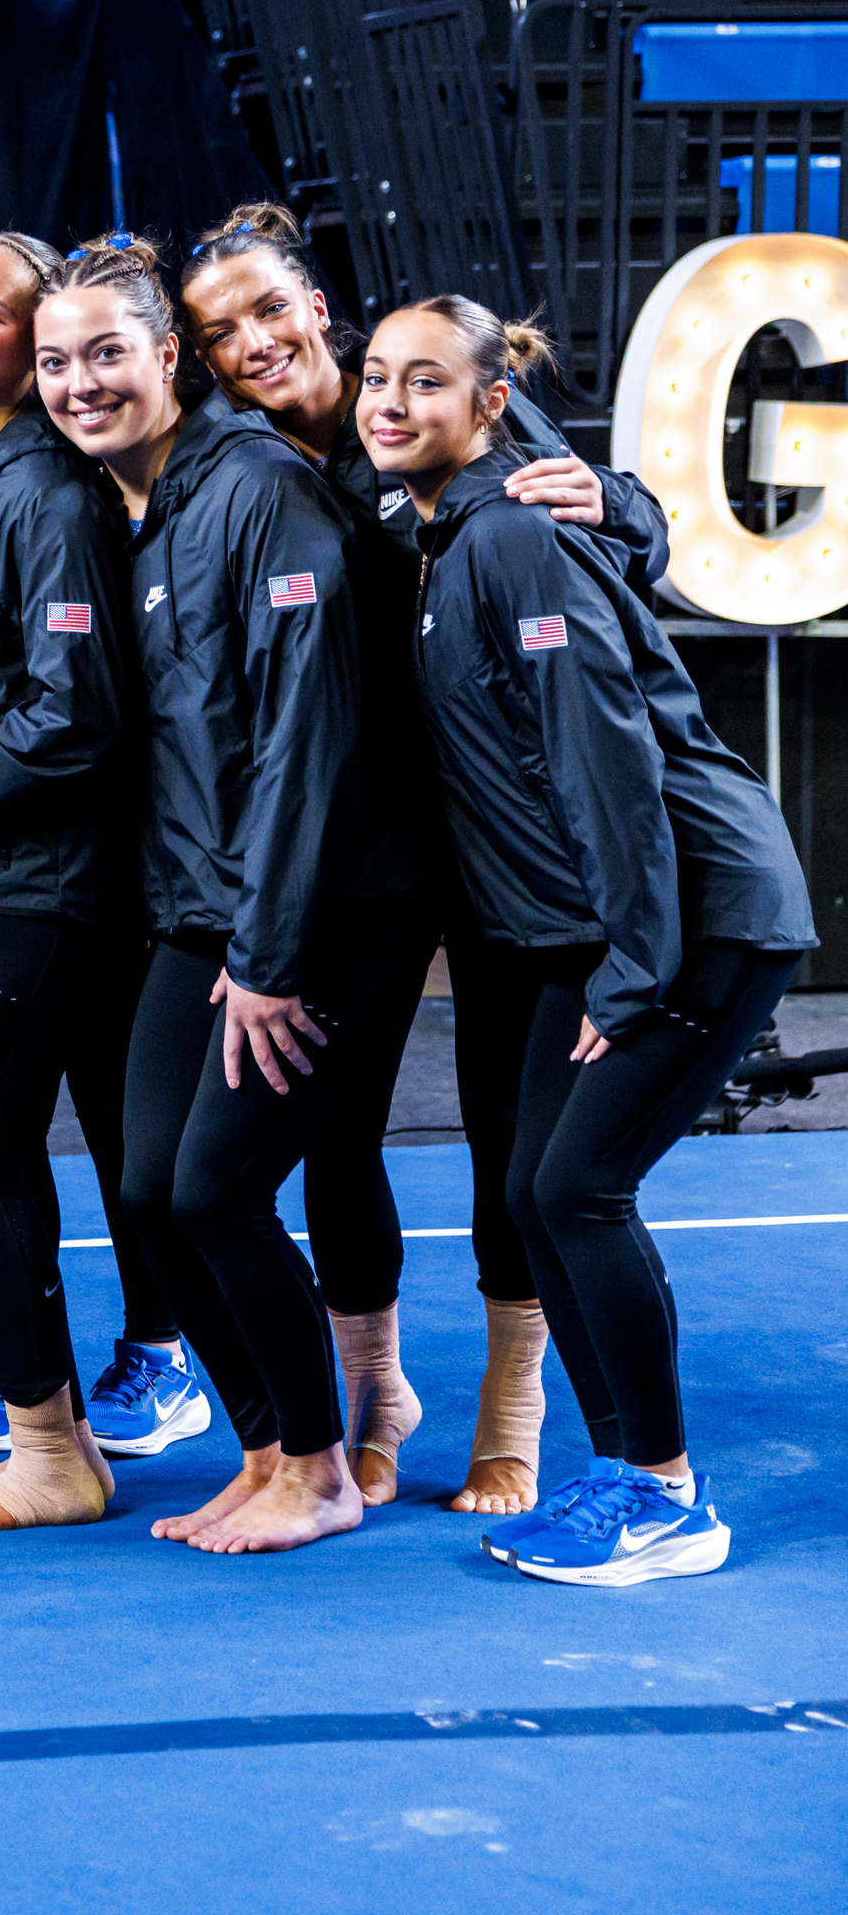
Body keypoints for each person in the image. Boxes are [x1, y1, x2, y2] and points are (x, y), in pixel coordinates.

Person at [177, 200, 665, 1514]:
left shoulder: (429, 389)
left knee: (508, 1132)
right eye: (219, 332)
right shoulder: (240, 472)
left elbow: (610, 534)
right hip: (368, 861)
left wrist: (622, 500)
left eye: (268, 311)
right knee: (335, 1133)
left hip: (508, 846)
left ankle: (512, 1405)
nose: (252, 343)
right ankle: (374, 1389)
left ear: (315, 306)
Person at [370, 298, 814, 1585]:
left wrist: (630, 970)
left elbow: (604, 758)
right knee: (527, 1191)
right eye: (375, 381)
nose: (390, 403)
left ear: (489, 402)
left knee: (575, 1188)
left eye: (423, 384)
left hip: (699, 912)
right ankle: (624, 1476)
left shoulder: (511, 536)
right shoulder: (443, 531)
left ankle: (668, 1495)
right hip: (612, 923)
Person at [35, 232, 391, 1557]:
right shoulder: (150, 512)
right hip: (197, 911)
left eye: (106, 355)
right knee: (143, 1188)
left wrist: (272, 950)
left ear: (168, 358)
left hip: (300, 920)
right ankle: (262, 1451)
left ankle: (322, 1467)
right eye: (58, 362)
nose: (80, 384)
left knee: (214, 1193)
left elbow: (310, 743)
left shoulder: (257, 494)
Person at [0, 232, 211, 1478]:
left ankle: (54, 1444)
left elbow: (73, 717)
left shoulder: (49, 494)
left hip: (48, 886)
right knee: (7, 1144)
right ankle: (64, 1399)